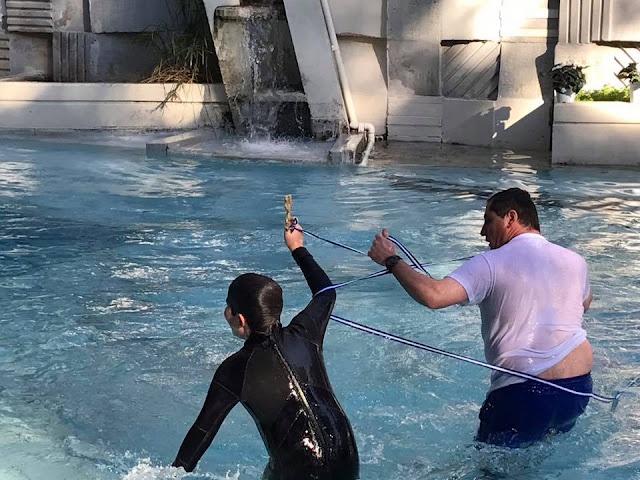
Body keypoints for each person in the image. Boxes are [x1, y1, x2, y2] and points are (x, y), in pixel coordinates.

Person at [368, 188, 594, 447]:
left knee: (486, 466)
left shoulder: (490, 262)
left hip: (523, 392)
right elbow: (584, 304)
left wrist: (391, 260)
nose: (482, 232)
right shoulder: (575, 261)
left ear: (510, 218)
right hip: (578, 389)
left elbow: (433, 295)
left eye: (488, 220)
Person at [172, 220, 359, 479]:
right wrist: (297, 247)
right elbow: (326, 292)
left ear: (240, 320)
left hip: (301, 472)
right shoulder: (305, 333)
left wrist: (171, 473)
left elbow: (201, 432)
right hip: (345, 458)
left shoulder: (235, 370)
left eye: (228, 306)